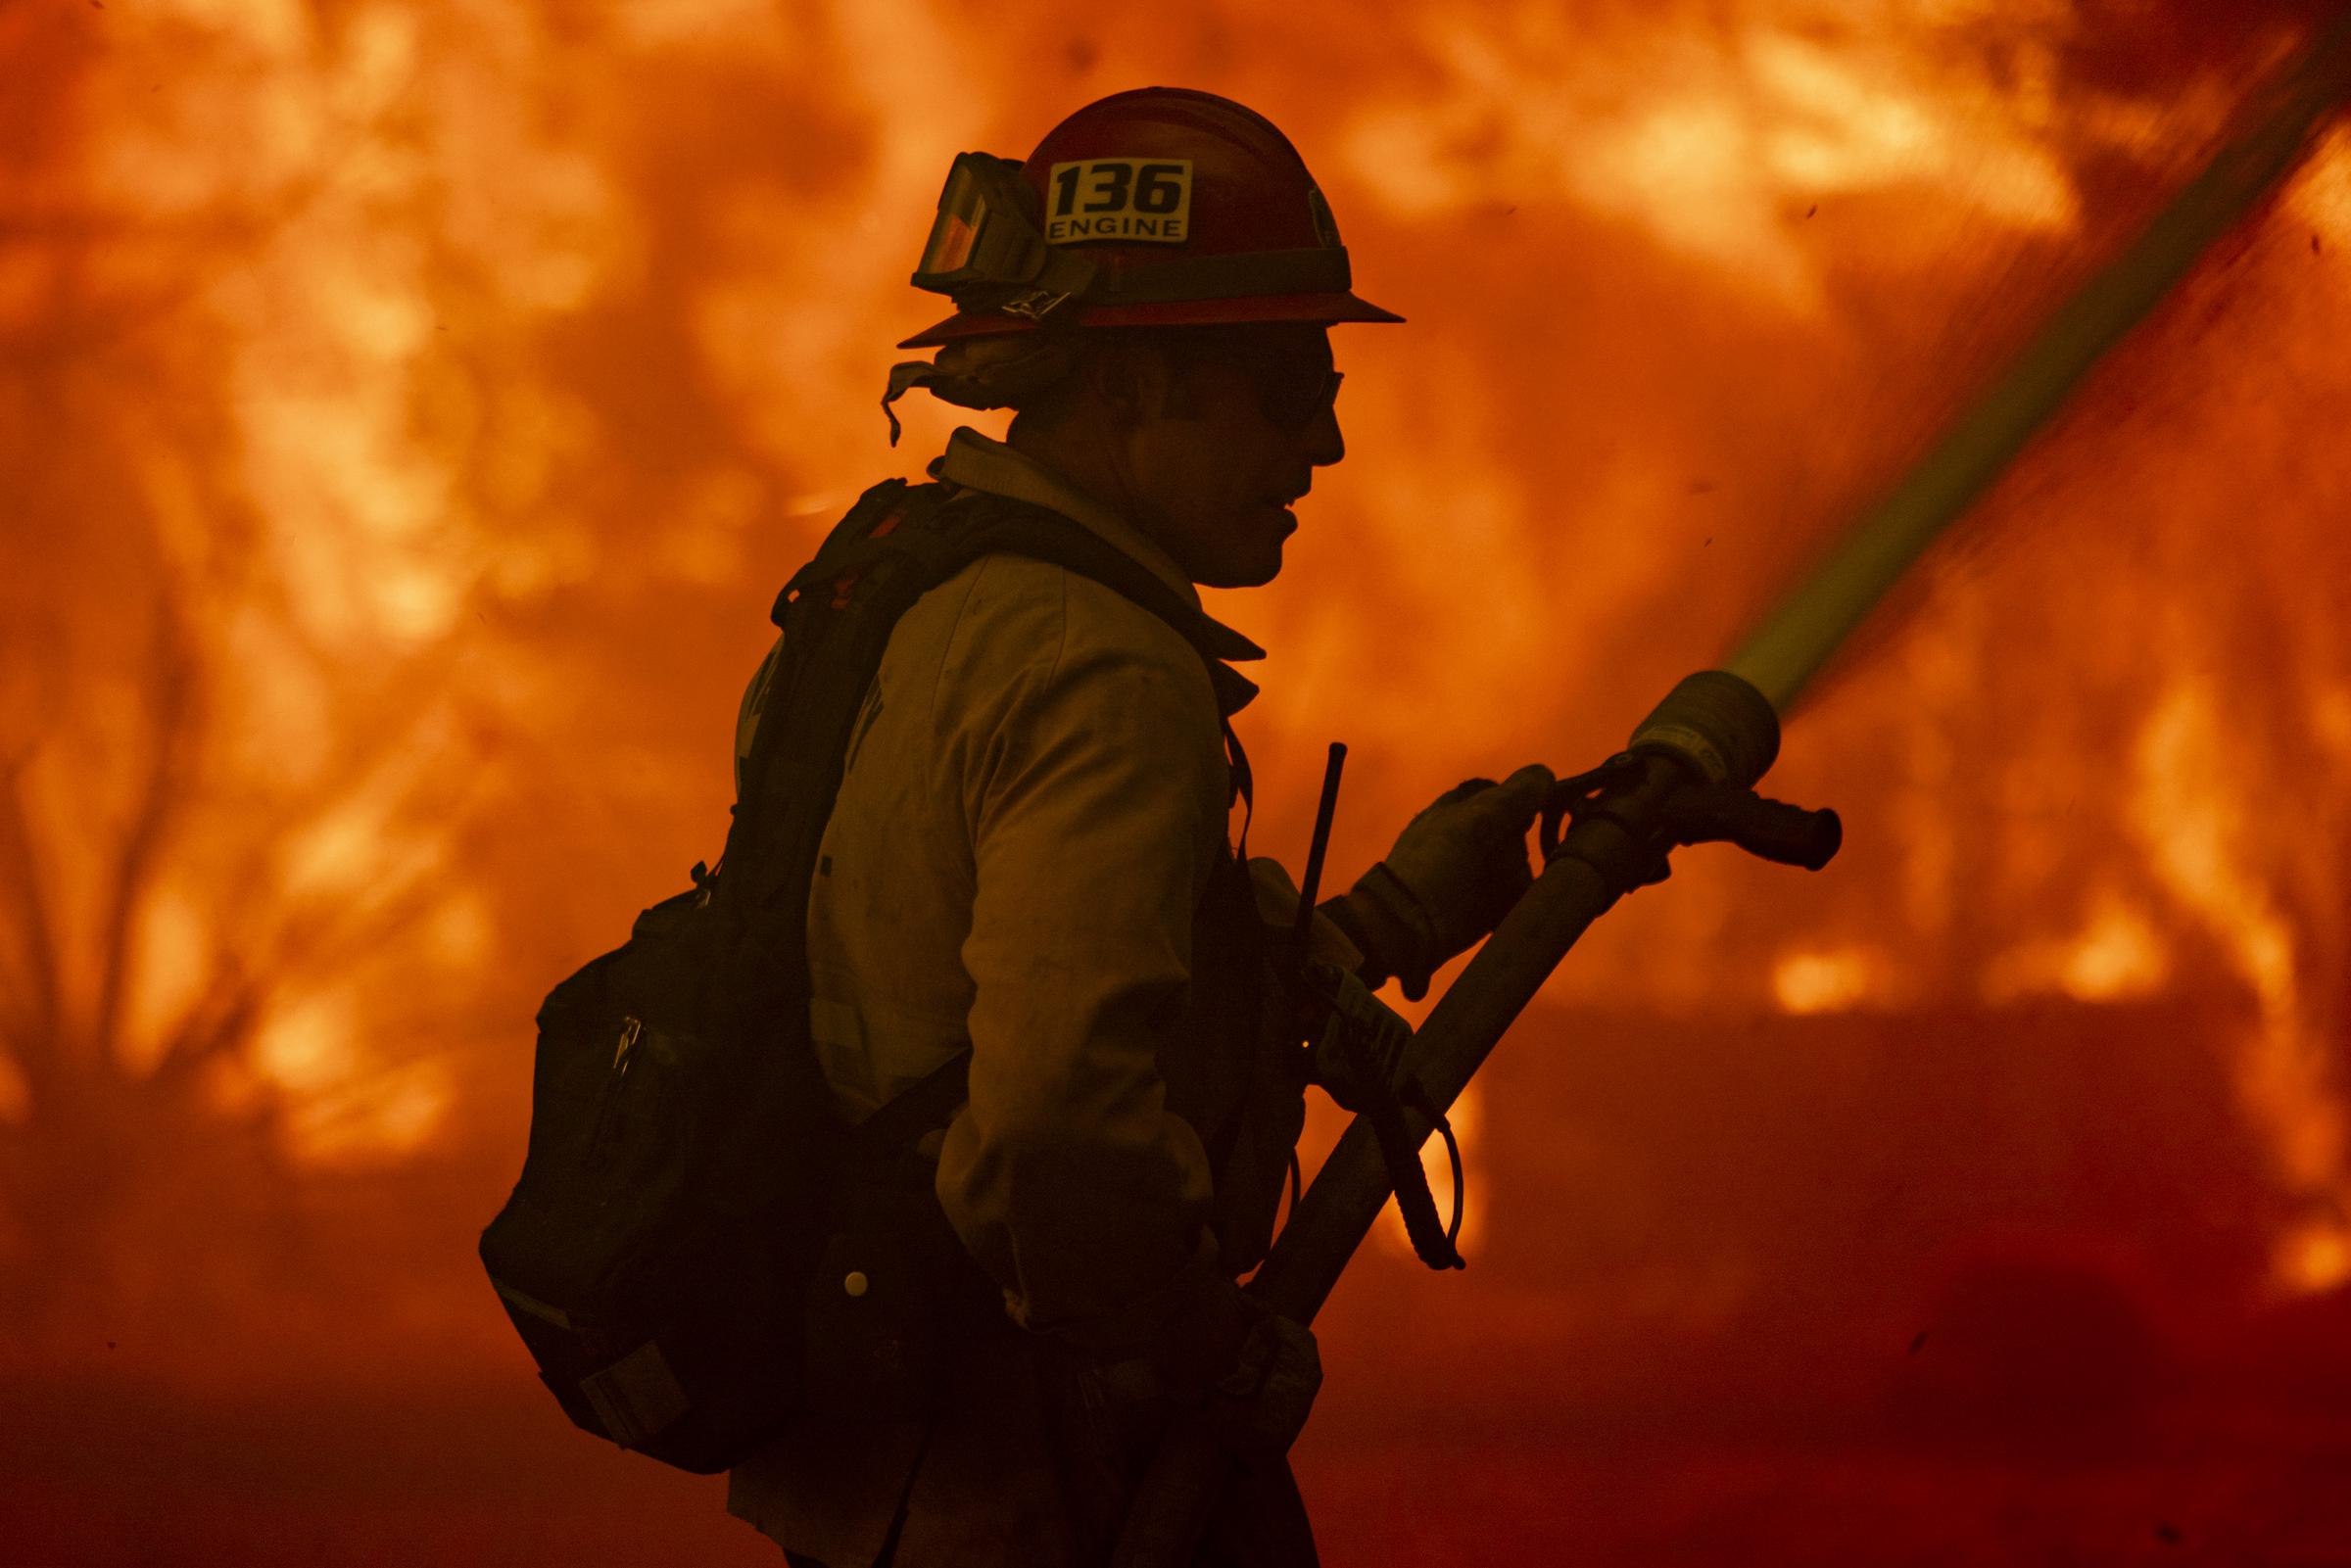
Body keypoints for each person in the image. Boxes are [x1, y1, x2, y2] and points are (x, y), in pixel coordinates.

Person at [725, 87, 1553, 1568]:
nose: (1327, 444)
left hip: (879, 1470)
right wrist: (1199, 1344)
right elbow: (1053, 1123)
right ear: (1126, 390)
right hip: (1048, 1476)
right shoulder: (1101, 674)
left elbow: (969, 995)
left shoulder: (889, 592)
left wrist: (1393, 921)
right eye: (1288, 380)